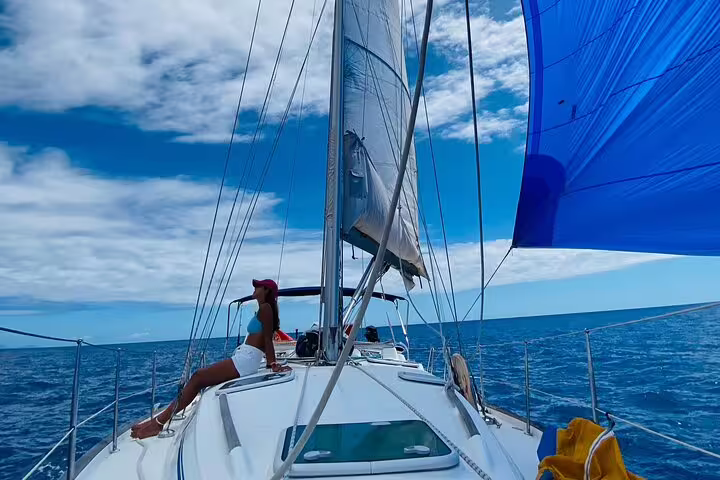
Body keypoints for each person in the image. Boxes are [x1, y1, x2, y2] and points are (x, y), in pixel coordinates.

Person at [131, 278, 291, 439]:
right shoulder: (263, 309)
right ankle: (158, 421)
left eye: (258, 286)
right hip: (244, 357)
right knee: (199, 377)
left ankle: (158, 423)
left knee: (198, 377)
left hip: (247, 359)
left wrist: (273, 363)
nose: (255, 289)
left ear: (266, 291)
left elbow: (267, 339)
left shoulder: (266, 308)